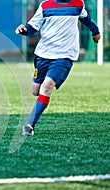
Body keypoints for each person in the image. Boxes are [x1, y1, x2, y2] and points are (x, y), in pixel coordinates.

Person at [15, 0, 101, 136]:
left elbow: (86, 19)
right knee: (35, 91)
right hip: (43, 55)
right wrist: (23, 30)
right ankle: (33, 113)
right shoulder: (45, 5)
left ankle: (29, 125)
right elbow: (32, 27)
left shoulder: (78, 4)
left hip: (64, 55)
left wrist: (95, 31)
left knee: (47, 86)